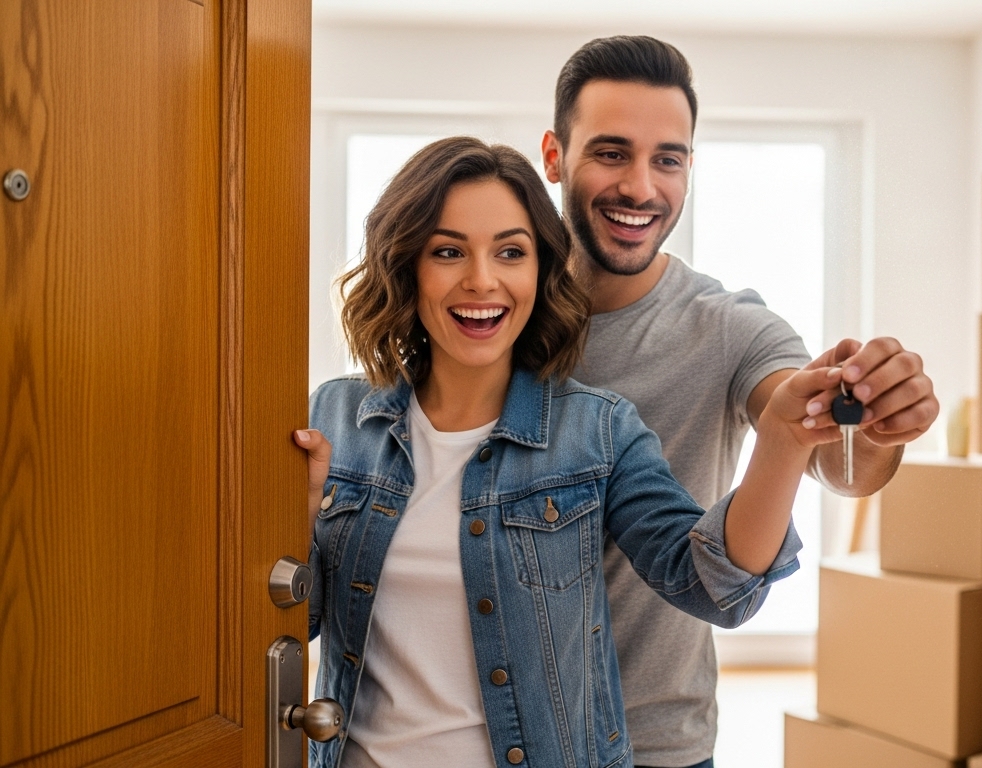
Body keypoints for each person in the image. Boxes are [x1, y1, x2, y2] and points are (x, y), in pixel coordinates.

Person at [294, 137, 850, 768]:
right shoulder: (334, 417)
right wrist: (302, 516)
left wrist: (781, 441)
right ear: (407, 267)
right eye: (448, 252)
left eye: (511, 252)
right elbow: (291, 624)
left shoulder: (597, 432)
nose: (482, 280)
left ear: (540, 270)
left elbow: (713, 587)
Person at [540, 36, 940, 768]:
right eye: (611, 153)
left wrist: (879, 424)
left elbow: (841, 468)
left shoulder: (727, 327)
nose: (640, 186)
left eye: (669, 158)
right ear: (554, 156)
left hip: (654, 744)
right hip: (493, 733)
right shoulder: (495, 315)